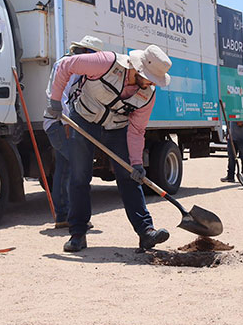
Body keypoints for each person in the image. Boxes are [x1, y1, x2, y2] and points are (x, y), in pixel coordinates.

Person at [49, 44, 173, 252]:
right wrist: (55, 100)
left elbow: (136, 131)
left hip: (116, 129)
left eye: (154, 80)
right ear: (137, 67)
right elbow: (65, 65)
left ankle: (146, 232)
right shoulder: (106, 63)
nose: (151, 83)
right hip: (84, 120)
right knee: (80, 177)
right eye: (149, 77)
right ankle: (77, 234)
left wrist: (136, 163)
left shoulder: (147, 96)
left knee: (129, 177)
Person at [43, 36, 102, 229]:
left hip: (61, 124)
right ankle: (73, 215)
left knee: (65, 169)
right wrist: (71, 124)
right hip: (62, 124)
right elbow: (61, 96)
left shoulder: (78, 68)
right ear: (86, 52)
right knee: (78, 169)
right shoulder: (68, 65)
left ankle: (64, 215)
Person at [220, 102, 243, 184]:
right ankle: (230, 176)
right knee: (231, 157)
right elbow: (228, 120)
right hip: (232, 137)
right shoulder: (232, 106)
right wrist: (227, 133)